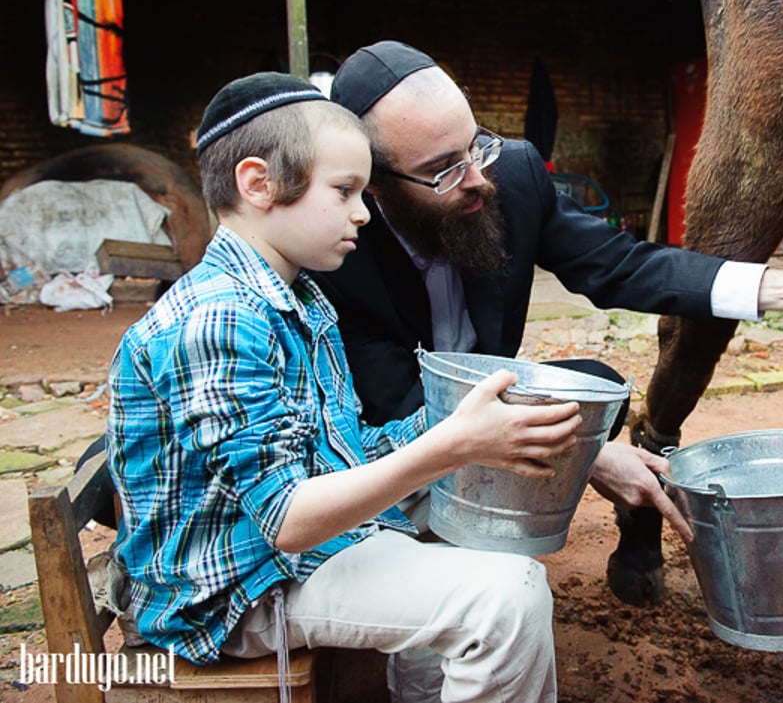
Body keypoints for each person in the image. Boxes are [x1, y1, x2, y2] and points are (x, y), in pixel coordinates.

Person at [104, 71, 643, 702]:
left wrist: (466, 422)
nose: (363, 212)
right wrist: (454, 445)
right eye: (345, 190)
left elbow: (342, 449)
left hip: (285, 556)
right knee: (503, 598)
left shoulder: (296, 295)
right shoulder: (220, 318)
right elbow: (286, 519)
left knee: (479, 536)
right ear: (258, 184)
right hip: (230, 591)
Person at [312, 40, 783, 597]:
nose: (477, 179)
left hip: (480, 404)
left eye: (476, 145)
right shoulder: (336, 250)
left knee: (599, 388)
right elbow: (400, 408)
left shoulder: (508, 175)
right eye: (443, 169)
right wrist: (583, 456)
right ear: (372, 181)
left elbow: (624, 265)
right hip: (389, 440)